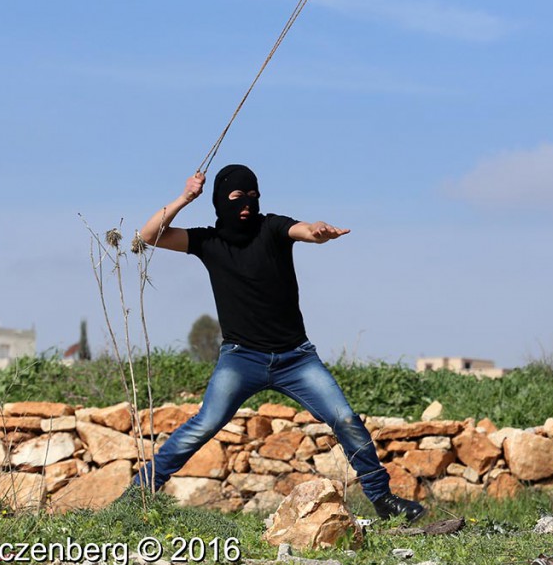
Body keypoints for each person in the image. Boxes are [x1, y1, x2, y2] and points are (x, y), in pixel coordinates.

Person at [130, 164, 426, 522]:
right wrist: (184, 197)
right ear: (220, 201)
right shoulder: (207, 241)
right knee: (203, 425)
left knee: (345, 418)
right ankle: (138, 496)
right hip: (241, 359)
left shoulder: (271, 227)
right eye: (237, 197)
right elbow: (149, 236)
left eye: (253, 196)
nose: (246, 205)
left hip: (296, 358)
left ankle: (383, 500)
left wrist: (317, 231)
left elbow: (301, 230)